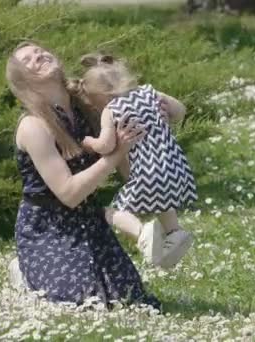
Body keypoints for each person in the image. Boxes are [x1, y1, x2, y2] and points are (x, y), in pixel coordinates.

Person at [5, 41, 160, 310]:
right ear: (24, 81)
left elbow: (127, 155)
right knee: (83, 302)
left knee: (129, 300)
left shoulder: (85, 105)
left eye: (41, 51)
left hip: (89, 220)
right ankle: (25, 270)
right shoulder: (33, 126)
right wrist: (115, 154)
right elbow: (70, 193)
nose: (39, 55)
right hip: (47, 227)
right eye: (27, 59)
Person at [66, 53, 197, 269]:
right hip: (174, 168)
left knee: (112, 212)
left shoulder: (111, 109)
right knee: (163, 201)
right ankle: (175, 233)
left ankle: (143, 233)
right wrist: (167, 112)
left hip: (145, 173)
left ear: (100, 97)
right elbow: (180, 111)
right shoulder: (150, 93)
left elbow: (106, 146)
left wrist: (88, 142)